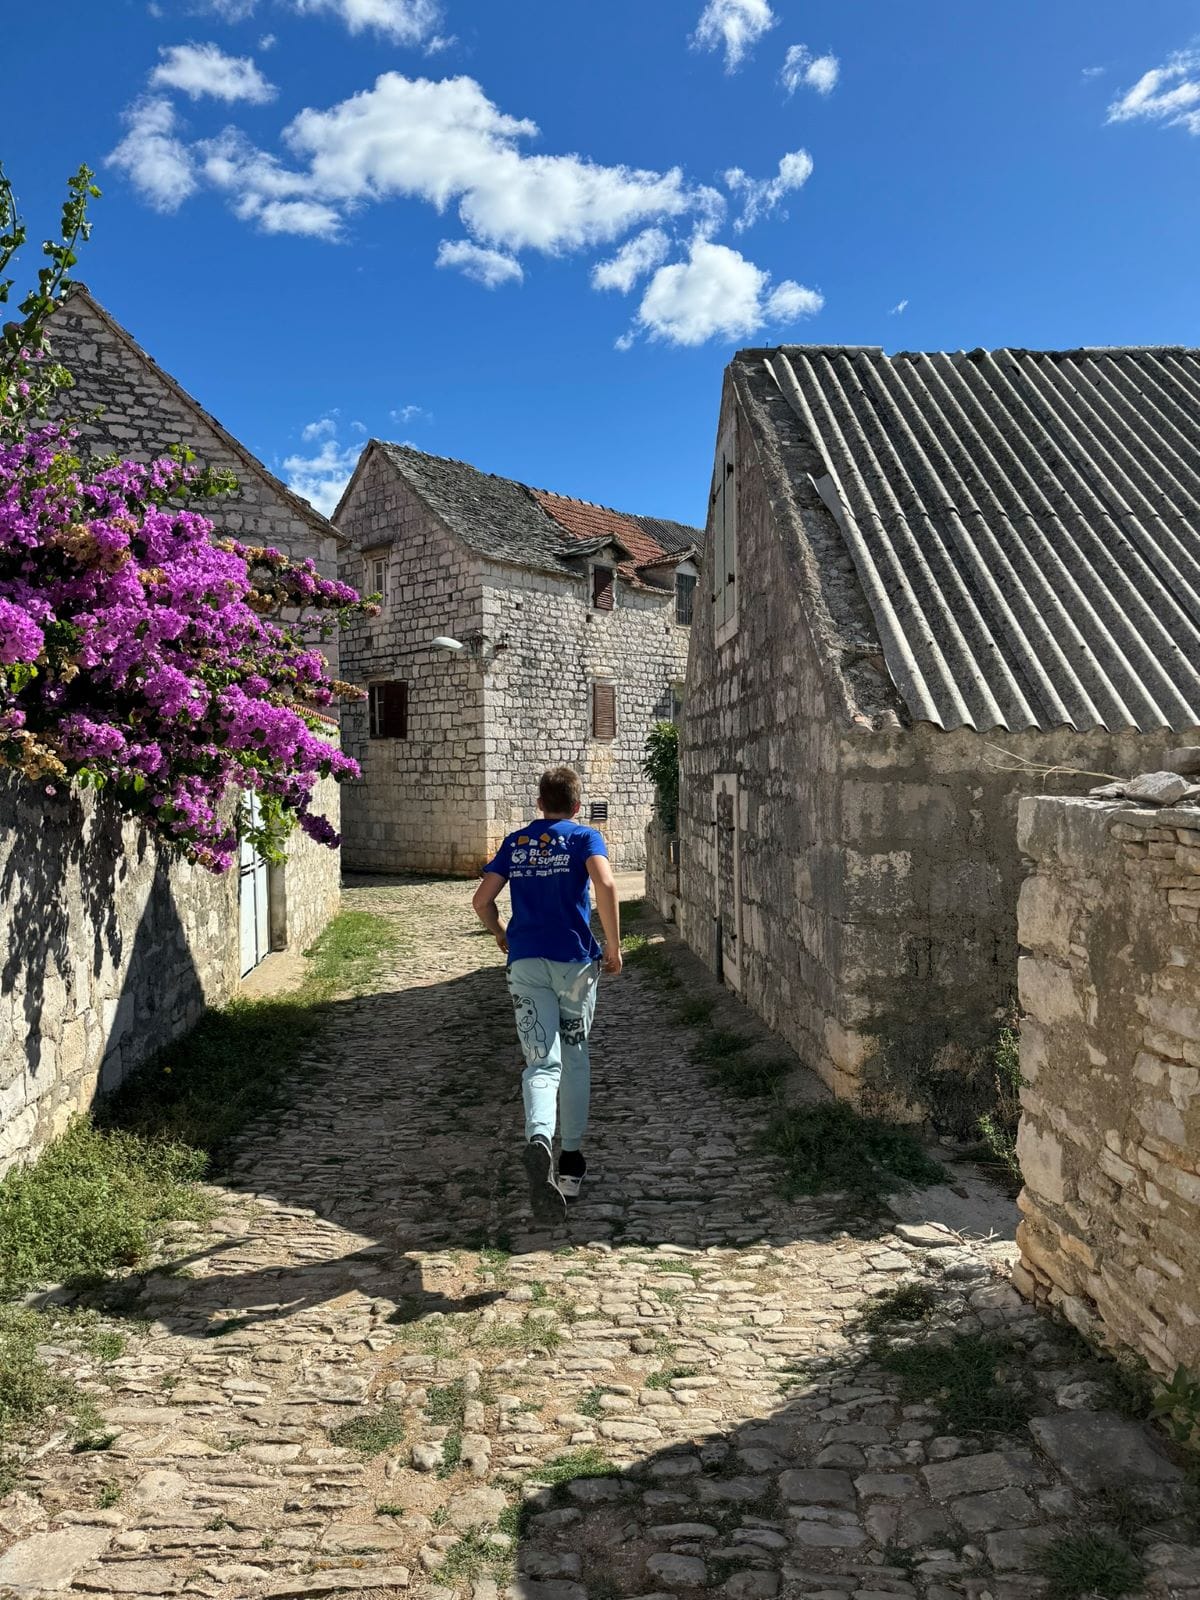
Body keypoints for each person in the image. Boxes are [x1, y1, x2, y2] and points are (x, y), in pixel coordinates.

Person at [472, 766, 622, 1224]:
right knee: (574, 1057)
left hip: (526, 963)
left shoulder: (516, 843)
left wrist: (501, 933)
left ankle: (539, 1137)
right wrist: (614, 947)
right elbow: (606, 884)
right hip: (574, 963)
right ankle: (570, 1163)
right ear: (576, 806)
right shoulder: (584, 838)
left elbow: (481, 901)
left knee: (541, 1061)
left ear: (539, 804)